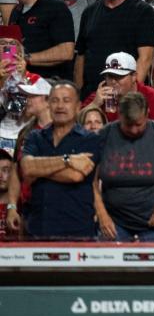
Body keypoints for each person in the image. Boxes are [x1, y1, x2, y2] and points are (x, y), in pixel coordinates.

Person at [94, 91, 154, 241]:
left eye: (139, 124)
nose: (134, 130)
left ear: (147, 114)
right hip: (114, 222)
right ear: (119, 115)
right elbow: (91, 180)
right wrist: (102, 215)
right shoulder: (103, 136)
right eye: (128, 125)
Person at [19, 82, 100, 239]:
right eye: (55, 100)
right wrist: (67, 160)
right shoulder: (35, 137)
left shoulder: (90, 139)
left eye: (66, 100)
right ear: (48, 104)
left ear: (78, 106)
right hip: (38, 230)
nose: (60, 106)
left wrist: (39, 170)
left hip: (77, 232)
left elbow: (75, 176)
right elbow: (27, 169)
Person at [9, 0, 76, 79]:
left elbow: (66, 52)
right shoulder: (16, 11)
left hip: (49, 87)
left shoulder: (56, 8)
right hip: (21, 85)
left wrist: (26, 58)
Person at [87, 51, 154, 130]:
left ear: (134, 76)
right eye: (110, 76)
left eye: (119, 76)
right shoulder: (98, 97)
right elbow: (75, 129)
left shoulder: (153, 99)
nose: (113, 81)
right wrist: (94, 104)